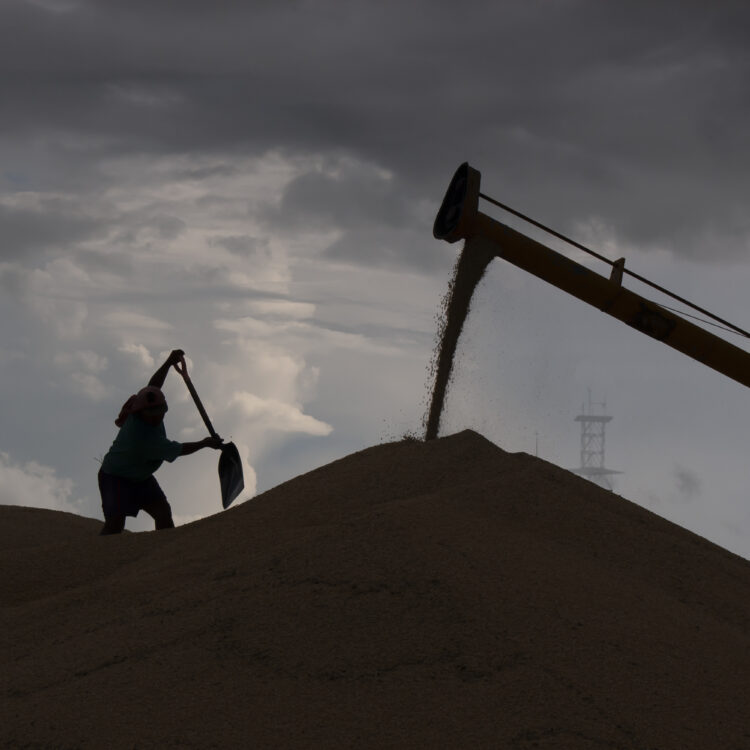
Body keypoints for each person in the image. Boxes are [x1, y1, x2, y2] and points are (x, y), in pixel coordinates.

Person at [98, 348, 223, 535]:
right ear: (142, 412)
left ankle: (165, 556)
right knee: (116, 524)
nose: (157, 418)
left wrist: (168, 362)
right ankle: (98, 559)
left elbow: (153, 387)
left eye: (159, 413)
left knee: (163, 513)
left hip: (141, 477)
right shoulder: (142, 438)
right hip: (115, 477)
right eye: (153, 415)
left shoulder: (141, 406)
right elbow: (178, 449)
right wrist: (205, 443)